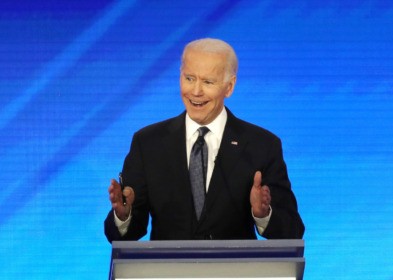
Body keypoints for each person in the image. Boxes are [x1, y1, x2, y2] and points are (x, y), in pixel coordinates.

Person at [104, 38, 304, 242]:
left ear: (229, 86)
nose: (196, 91)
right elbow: (124, 234)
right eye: (189, 78)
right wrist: (123, 215)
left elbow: (292, 231)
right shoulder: (148, 143)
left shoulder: (262, 145)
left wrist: (263, 214)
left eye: (208, 82)